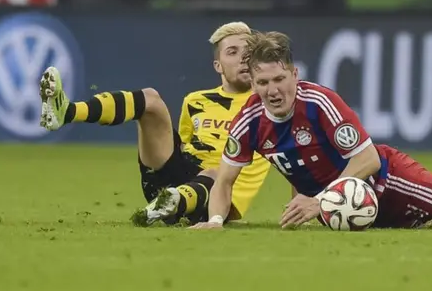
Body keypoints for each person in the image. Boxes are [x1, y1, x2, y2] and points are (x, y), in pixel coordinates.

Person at [190, 31, 432, 230]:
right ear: (253, 83)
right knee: (425, 215)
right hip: (349, 201)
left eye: (279, 79)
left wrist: (317, 202)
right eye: (262, 84)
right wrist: (214, 222)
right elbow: (224, 181)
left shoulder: (320, 104)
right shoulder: (249, 121)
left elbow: (364, 159)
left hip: (385, 179)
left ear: (294, 74)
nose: (272, 91)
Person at [39, 22, 271, 226]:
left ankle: (171, 203)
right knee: (151, 99)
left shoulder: (268, 107)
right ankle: (66, 111)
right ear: (217, 65)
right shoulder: (195, 101)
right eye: (232, 52)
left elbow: (295, 155)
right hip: (178, 181)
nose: (243, 58)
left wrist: (304, 198)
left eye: (249, 52)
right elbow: (184, 144)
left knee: (213, 172)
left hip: (219, 201)